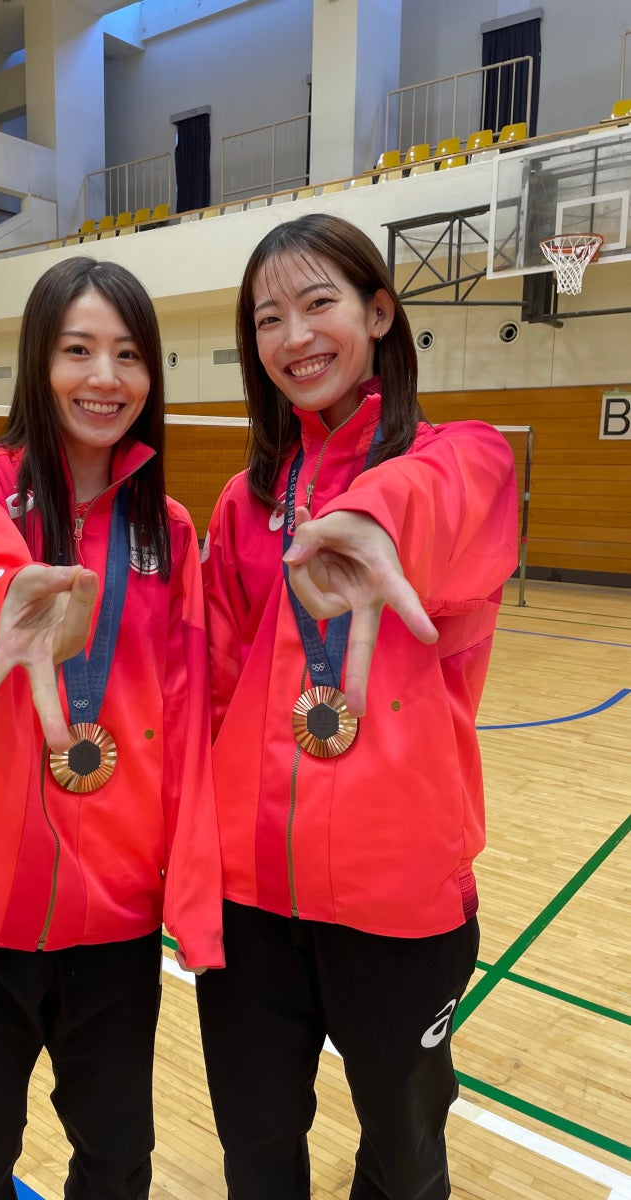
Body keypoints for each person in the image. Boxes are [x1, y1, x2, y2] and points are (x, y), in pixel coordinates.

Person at [0, 256, 224, 1200]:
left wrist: (189, 901)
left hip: (111, 923)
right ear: (39, 359)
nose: (104, 379)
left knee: (116, 1169)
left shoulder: (172, 533)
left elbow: (189, 720)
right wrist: (4, 600)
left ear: (152, 377)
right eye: (78, 351)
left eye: (127, 355)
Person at [196, 213, 517, 1200]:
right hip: (248, 902)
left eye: (319, 303)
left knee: (404, 1152)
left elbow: (440, 497)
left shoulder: (460, 462)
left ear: (380, 312)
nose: (294, 336)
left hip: (398, 899)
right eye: (268, 318)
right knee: (256, 1148)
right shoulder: (245, 505)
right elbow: (210, 693)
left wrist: (367, 518)